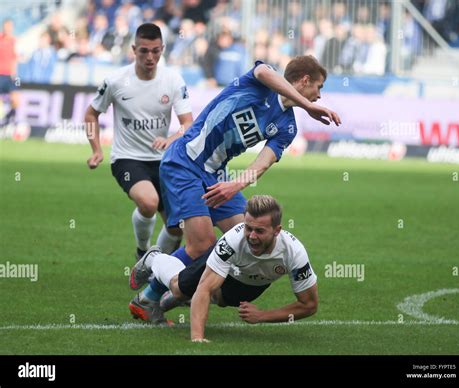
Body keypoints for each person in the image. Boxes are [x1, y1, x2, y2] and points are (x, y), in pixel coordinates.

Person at [159, 55, 341, 269]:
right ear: (305, 80)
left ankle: (186, 288)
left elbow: (262, 163)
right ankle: (155, 273)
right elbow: (263, 71)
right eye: (318, 87)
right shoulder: (261, 81)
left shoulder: (287, 127)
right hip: (185, 160)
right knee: (202, 245)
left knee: (246, 240)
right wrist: (308, 106)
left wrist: (235, 185)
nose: (319, 96)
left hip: (215, 174)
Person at [128, 195, 318, 342]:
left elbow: (309, 305)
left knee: (220, 298)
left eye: (259, 231)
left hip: (251, 283)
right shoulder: (232, 241)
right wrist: (198, 339)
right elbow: (204, 288)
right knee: (180, 289)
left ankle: (159, 300)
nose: (251, 236)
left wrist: (262, 316)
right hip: (228, 264)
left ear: (277, 231)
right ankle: (155, 258)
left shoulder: (294, 253)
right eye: (248, 228)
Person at [85, 23, 193, 260]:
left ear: (162, 49)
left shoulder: (173, 79)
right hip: (128, 159)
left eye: (155, 50)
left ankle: (157, 270)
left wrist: (171, 139)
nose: (150, 56)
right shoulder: (115, 81)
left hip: (165, 161)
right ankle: (143, 252)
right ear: (134, 49)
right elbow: (91, 114)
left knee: (179, 227)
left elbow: (187, 123)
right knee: (149, 202)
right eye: (144, 50)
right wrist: (96, 150)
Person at [0, 19, 19, 127]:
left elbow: (15, 59)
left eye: (10, 26)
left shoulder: (14, 41)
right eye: (6, 26)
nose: (8, 28)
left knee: (17, 99)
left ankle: (9, 119)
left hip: (11, 76)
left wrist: (16, 76)